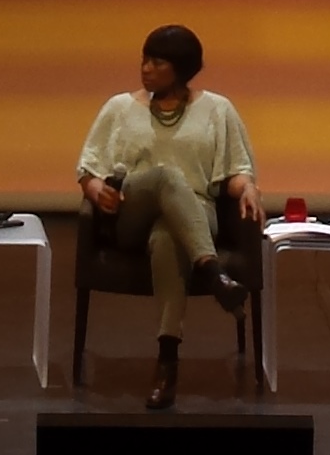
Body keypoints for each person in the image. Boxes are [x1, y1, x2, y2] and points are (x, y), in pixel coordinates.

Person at [76, 24, 265, 410]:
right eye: (144, 60)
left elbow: (235, 171)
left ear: (181, 68)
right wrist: (97, 191)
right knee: (166, 177)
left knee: (167, 237)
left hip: (195, 214)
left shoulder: (218, 109)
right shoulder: (119, 108)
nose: (145, 68)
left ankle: (167, 361)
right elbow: (88, 170)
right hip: (132, 211)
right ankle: (213, 271)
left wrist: (248, 188)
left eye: (157, 62)